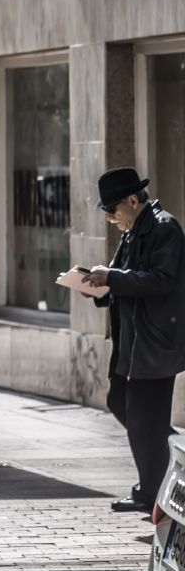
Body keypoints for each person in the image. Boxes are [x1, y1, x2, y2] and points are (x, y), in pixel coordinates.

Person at [82, 167, 185, 514]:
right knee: (122, 404)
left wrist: (113, 277)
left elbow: (161, 281)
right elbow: (122, 281)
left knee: (145, 421)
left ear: (132, 199)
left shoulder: (164, 228)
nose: (110, 217)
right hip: (132, 342)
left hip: (155, 342)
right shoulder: (132, 231)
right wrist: (96, 285)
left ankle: (152, 492)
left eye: (112, 209)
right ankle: (162, 476)